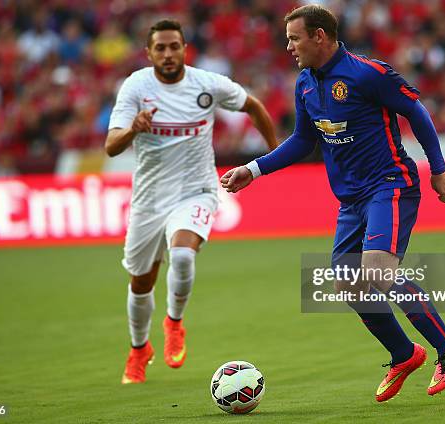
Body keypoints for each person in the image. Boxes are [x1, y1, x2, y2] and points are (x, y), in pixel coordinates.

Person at [221, 5, 445, 402]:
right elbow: (304, 140)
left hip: (390, 184)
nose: (289, 47)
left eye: (294, 38)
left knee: (377, 270)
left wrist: (437, 168)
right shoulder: (305, 83)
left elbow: (416, 112)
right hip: (351, 199)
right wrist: (253, 169)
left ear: (319, 36)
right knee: (348, 282)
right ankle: (405, 354)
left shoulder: (367, 73)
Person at [105, 19, 278, 384]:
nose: (168, 54)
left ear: (185, 48)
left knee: (182, 255)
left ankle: (174, 323)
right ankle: (139, 349)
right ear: (149, 53)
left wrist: (274, 156)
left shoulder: (207, 84)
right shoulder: (136, 86)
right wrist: (133, 128)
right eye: (160, 48)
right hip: (150, 199)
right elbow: (111, 146)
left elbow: (254, 106)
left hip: (196, 190)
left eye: (174, 46)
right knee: (141, 283)